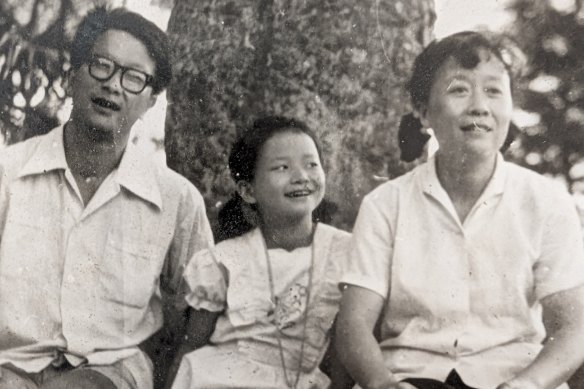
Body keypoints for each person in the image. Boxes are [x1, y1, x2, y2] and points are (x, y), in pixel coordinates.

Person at [335, 31, 584, 389]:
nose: (479, 106)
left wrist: (528, 384)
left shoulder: (546, 202)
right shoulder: (386, 205)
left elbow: (573, 326)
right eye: (459, 89)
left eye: (494, 90)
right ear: (423, 111)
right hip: (410, 376)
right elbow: (354, 325)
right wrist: (383, 384)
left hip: (514, 376)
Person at [0, 7, 213, 389]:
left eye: (134, 78)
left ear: (151, 101)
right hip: (10, 365)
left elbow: (201, 309)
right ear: (71, 76)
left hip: (111, 371)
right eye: (101, 66)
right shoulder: (8, 173)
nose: (113, 85)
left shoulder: (177, 200)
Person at [170, 116, 352, 388]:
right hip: (221, 379)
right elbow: (191, 345)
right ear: (248, 190)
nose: (301, 177)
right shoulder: (226, 260)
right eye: (282, 167)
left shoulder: (345, 251)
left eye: (311, 164)